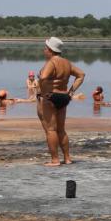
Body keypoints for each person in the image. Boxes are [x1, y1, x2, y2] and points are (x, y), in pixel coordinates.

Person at [37, 37, 85, 167]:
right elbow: (81, 74)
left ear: (51, 50)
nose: (44, 50)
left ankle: (55, 160)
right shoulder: (67, 63)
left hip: (50, 97)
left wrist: (42, 87)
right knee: (61, 130)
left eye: (45, 48)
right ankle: (67, 158)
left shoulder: (51, 62)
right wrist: (71, 91)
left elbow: (44, 77)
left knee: (51, 130)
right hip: (64, 97)